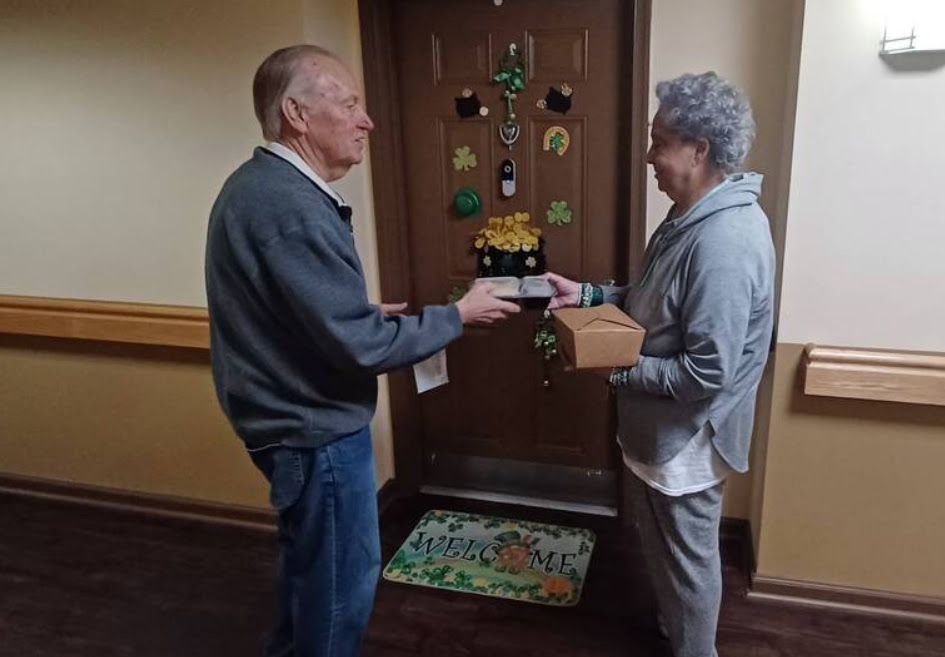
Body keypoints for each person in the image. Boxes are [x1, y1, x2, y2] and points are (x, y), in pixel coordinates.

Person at [204, 45, 519, 657]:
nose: (366, 121)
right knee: (338, 588)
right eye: (349, 104)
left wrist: (353, 315)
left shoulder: (257, 188)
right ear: (296, 113)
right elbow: (361, 348)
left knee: (308, 573)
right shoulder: (291, 207)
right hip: (314, 433)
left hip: (287, 425)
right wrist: (458, 315)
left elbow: (292, 314)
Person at [546, 71, 775, 657]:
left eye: (659, 143)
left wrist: (617, 371)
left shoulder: (724, 241)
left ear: (699, 150)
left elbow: (706, 375)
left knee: (689, 564)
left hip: (688, 439)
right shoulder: (685, 218)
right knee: (665, 553)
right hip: (658, 429)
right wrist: (590, 295)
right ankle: (676, 634)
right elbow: (653, 299)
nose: (649, 156)